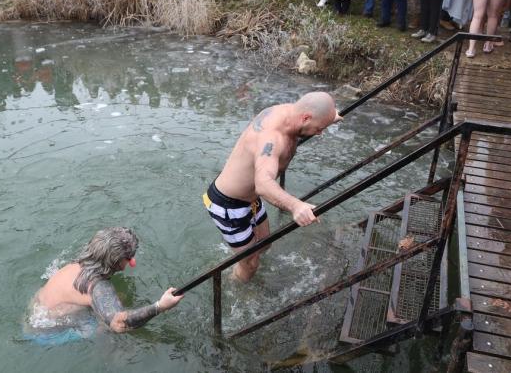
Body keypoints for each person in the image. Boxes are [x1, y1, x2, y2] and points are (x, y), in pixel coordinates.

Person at [203, 92, 342, 282]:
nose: (320, 133)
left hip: (249, 199)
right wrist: (296, 206)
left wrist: (328, 118)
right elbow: (263, 184)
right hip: (228, 205)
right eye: (319, 128)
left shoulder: (291, 112)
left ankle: (239, 260)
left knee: (264, 244)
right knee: (251, 263)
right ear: (306, 118)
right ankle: (237, 289)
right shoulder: (272, 138)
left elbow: (315, 111)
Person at [27, 227, 183, 339]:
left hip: (34, 315)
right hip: (48, 332)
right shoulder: (98, 286)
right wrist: (160, 306)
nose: (131, 261)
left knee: (114, 301)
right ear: (116, 260)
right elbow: (119, 324)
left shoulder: (78, 263)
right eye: (129, 258)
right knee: (107, 326)